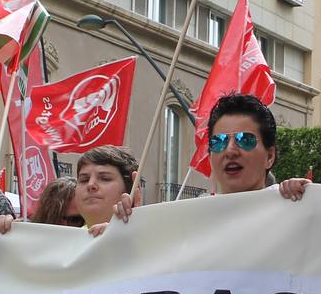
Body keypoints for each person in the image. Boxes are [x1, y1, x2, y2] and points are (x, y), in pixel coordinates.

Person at [111, 94, 307, 225]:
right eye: (219, 141)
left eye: (244, 140)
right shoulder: (185, 222)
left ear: (269, 156)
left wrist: (308, 201)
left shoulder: (295, 213)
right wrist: (133, 227)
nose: (230, 150)